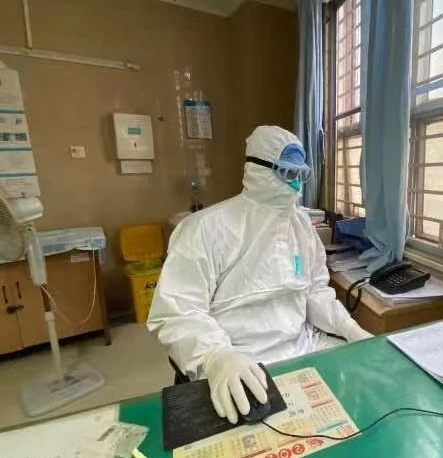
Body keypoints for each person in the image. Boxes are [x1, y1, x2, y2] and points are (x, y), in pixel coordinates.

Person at [148, 125, 371, 424]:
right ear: (257, 169)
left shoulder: (302, 226)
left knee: (363, 390)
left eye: (301, 175)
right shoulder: (204, 229)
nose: (296, 186)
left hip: (303, 347)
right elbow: (178, 312)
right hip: (239, 362)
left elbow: (315, 292)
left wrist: (348, 327)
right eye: (287, 174)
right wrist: (216, 358)